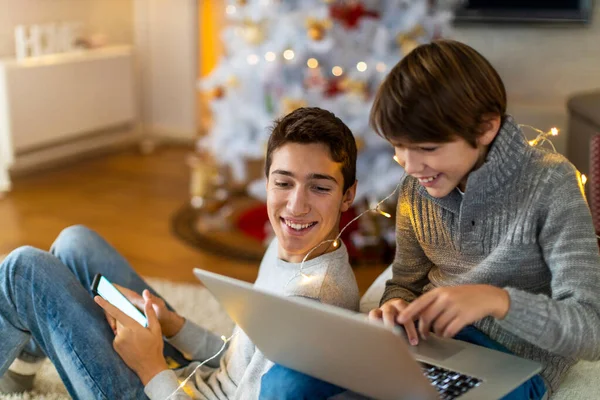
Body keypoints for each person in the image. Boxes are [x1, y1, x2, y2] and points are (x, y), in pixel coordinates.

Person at [260, 40, 600, 400]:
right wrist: (394, 306)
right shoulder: (417, 187)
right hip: (424, 343)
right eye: (399, 146)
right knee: (285, 381)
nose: (409, 165)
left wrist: (497, 300)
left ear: (485, 128)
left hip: (512, 362)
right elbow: (405, 282)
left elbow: (591, 328)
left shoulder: (551, 183)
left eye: (427, 149)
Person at [0, 106, 361, 399]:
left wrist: (150, 367)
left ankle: (19, 365)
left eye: (319, 187)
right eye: (283, 182)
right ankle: (24, 366)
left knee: (22, 270)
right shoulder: (292, 248)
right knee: (74, 242)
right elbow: (237, 361)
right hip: (189, 381)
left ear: (348, 195)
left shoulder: (314, 298)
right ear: (266, 182)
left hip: (161, 389)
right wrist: (172, 325)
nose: (296, 206)